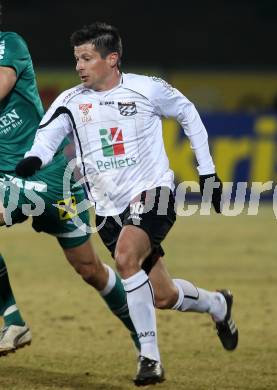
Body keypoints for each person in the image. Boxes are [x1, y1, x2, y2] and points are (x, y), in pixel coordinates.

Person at [17, 22, 239, 386]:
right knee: (163, 296)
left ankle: (149, 358)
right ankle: (218, 304)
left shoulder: (146, 88)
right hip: (105, 208)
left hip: (153, 193)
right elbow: (46, 139)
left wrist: (208, 172)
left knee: (124, 259)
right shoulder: (71, 101)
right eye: (77, 59)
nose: (79, 67)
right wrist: (33, 162)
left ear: (112, 59)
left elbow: (188, 113)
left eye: (87, 58)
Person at [0, 4, 139, 357]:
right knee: (88, 268)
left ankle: (145, 339)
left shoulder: (9, 44)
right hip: (9, 180)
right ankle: (13, 318)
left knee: (91, 268)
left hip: (46, 174)